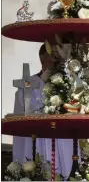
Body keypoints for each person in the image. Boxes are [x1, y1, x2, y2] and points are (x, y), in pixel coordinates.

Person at [12, 44, 76, 179]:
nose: (56, 60)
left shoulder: (66, 83)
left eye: (58, 56)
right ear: (42, 59)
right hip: (38, 138)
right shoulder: (29, 82)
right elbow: (25, 105)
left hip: (61, 139)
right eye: (53, 56)